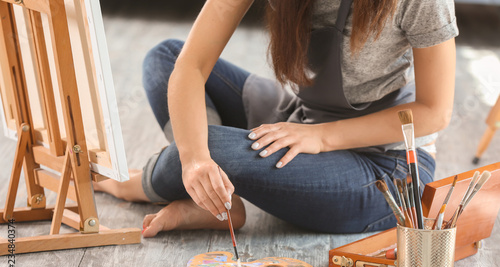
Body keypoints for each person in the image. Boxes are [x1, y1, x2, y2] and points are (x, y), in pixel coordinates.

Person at [95, 0, 458, 237]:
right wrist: (194, 161)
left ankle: (137, 182)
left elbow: (434, 111)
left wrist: (321, 138)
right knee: (167, 59)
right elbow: (192, 66)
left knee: (208, 147)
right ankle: (220, 202)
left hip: (382, 166)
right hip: (298, 120)